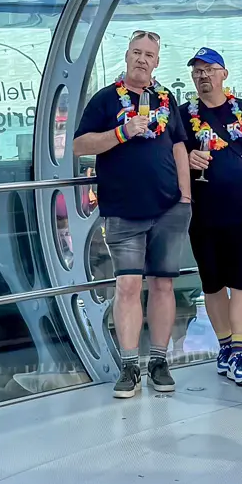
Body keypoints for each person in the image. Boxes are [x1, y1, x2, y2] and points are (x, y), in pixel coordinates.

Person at [73, 31, 193, 398]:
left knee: (163, 284)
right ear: (126, 57)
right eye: (137, 52)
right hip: (123, 210)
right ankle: (129, 365)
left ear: (157, 62)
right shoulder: (106, 100)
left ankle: (158, 360)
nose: (142, 59)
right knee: (126, 285)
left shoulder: (165, 100)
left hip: (169, 207)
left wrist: (186, 197)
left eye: (149, 55)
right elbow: (80, 144)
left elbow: (178, 147)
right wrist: (121, 132)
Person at [177, 47, 242, 387]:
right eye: (197, 71)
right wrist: (189, 157)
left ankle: (240, 352)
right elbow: (171, 157)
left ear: (224, 74)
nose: (203, 75)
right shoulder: (182, 115)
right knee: (213, 284)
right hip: (202, 214)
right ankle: (224, 346)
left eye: (209, 69)